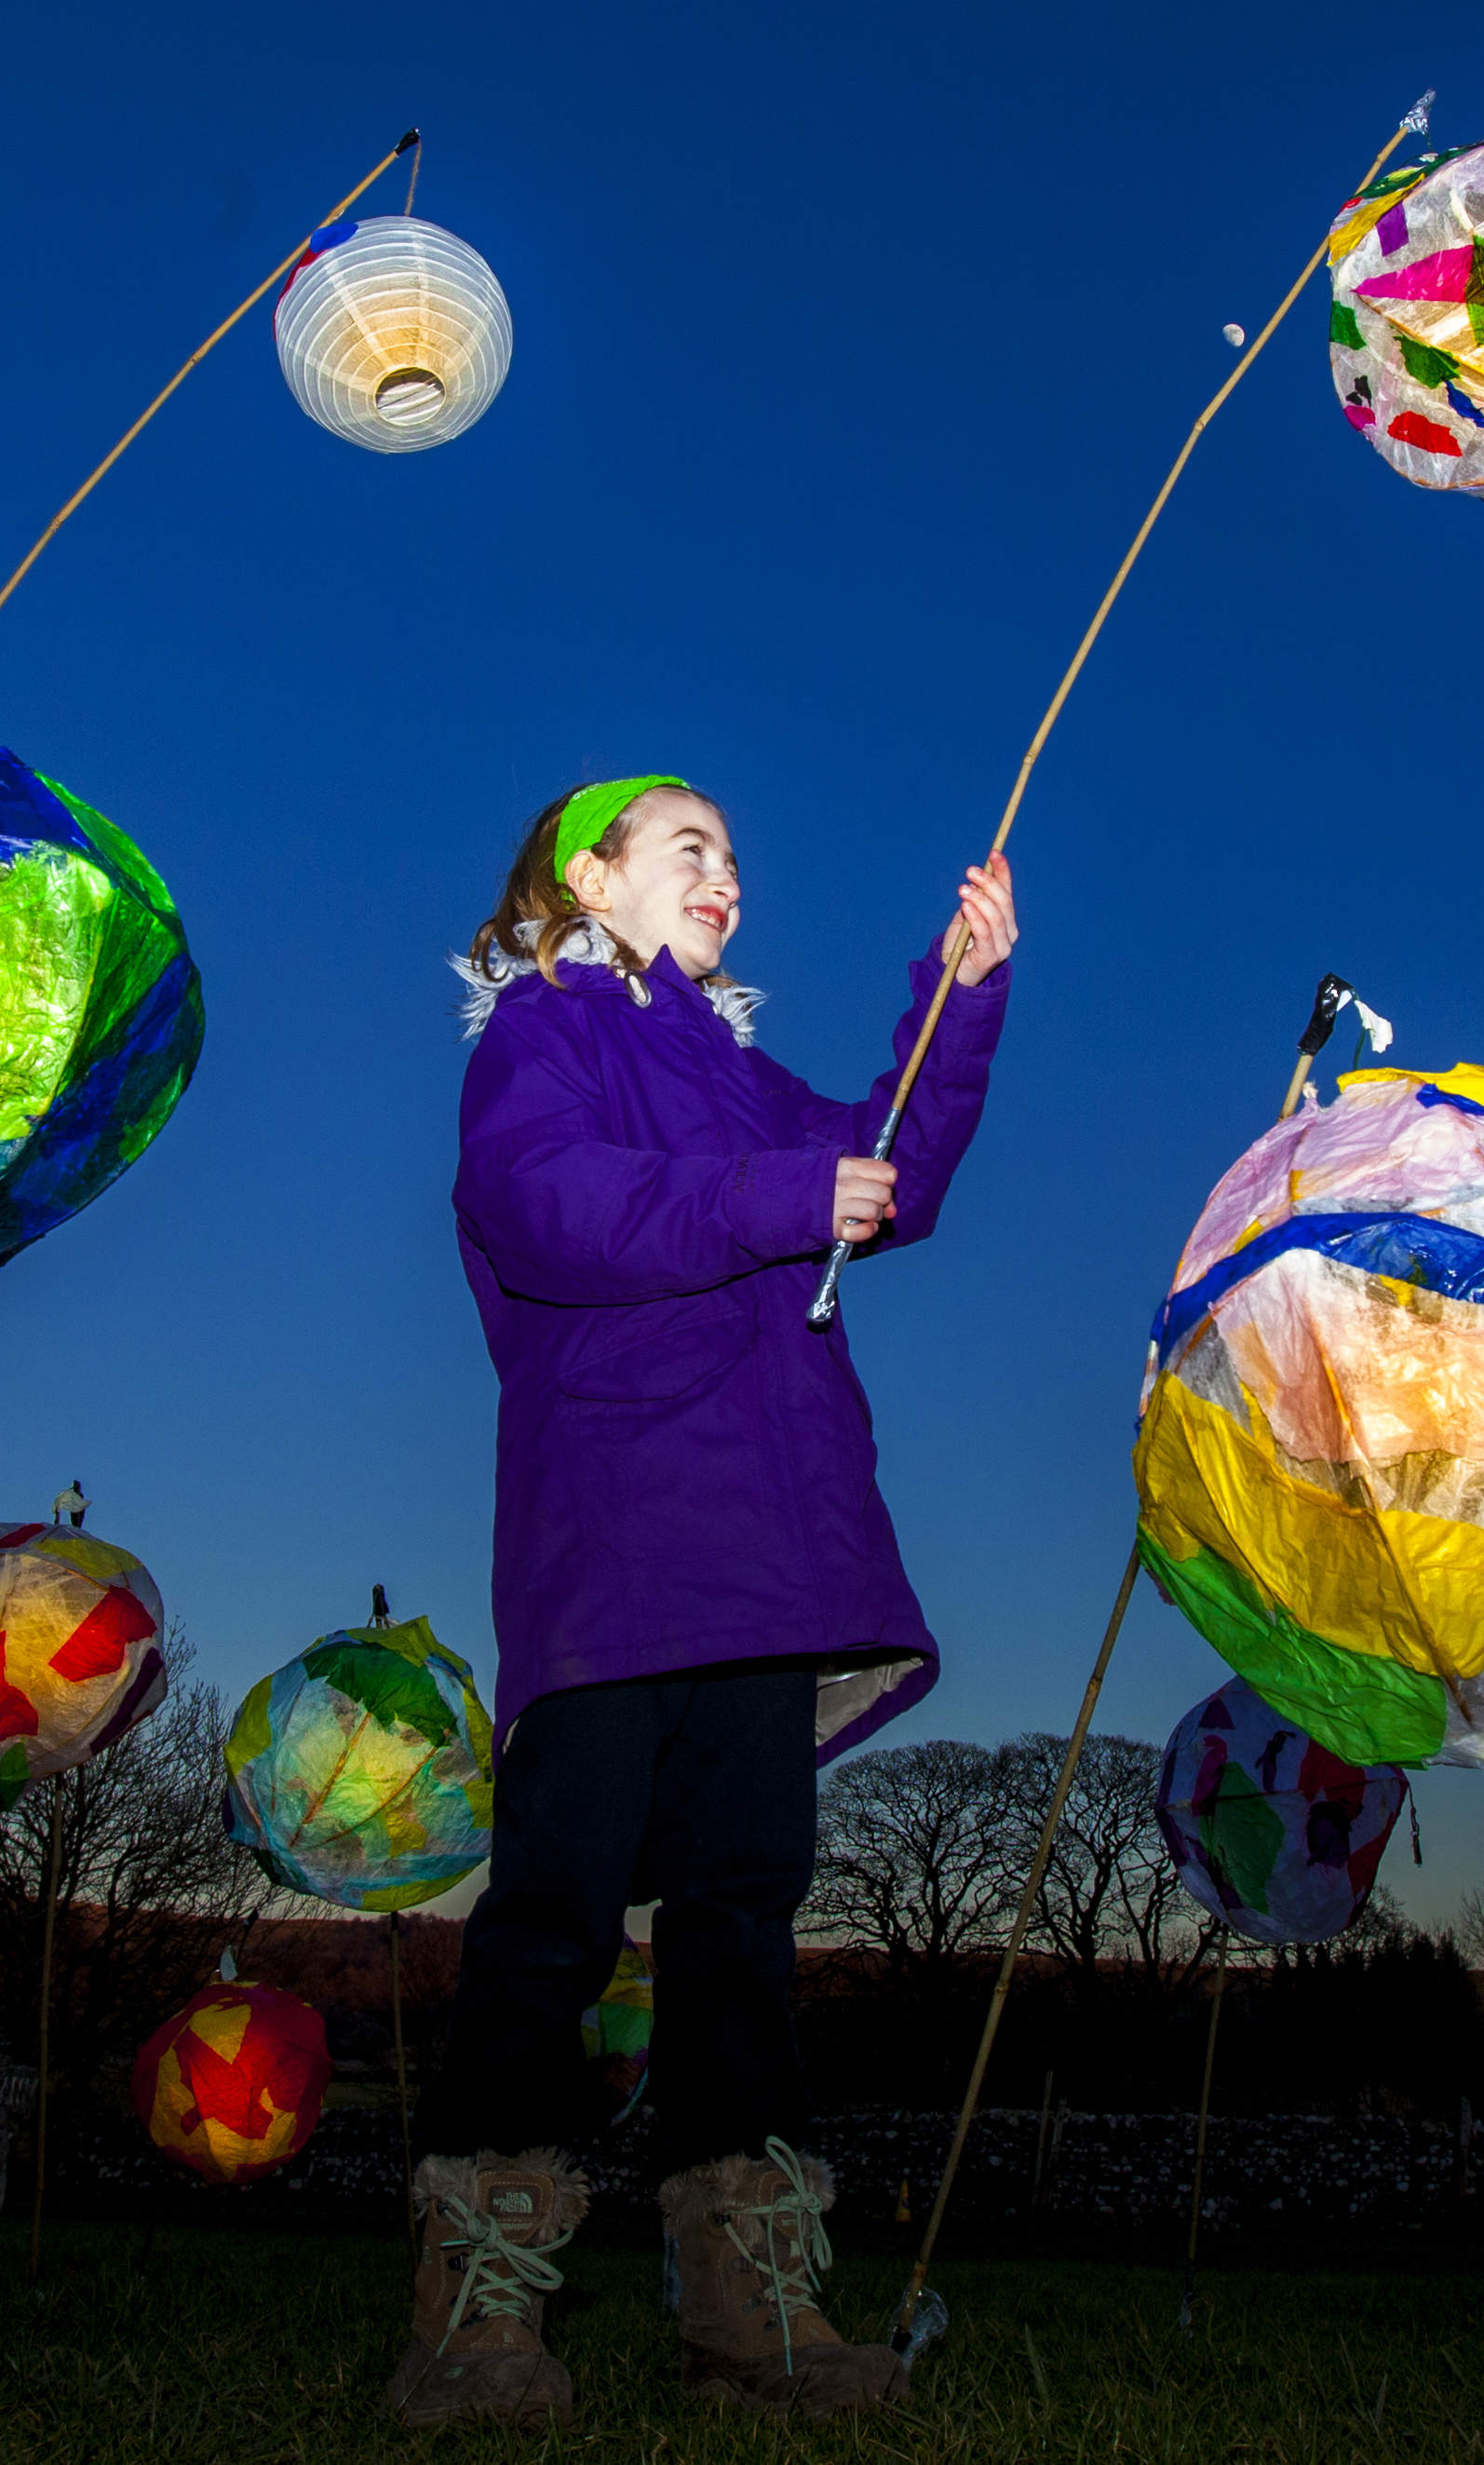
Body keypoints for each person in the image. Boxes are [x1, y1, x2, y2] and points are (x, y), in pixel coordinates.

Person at [388, 776, 1014, 2429]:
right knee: (557, 1915)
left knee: (743, 1925)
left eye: (738, 851)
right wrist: (767, 1200)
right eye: (691, 846)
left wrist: (963, 995)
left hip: (764, 1567)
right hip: (612, 1558)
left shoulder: (742, 1075)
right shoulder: (539, 1037)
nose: (727, 870)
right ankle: (475, 2312)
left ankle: (748, 2308)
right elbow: (546, 1208)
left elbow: (893, 1172)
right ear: (589, 878)